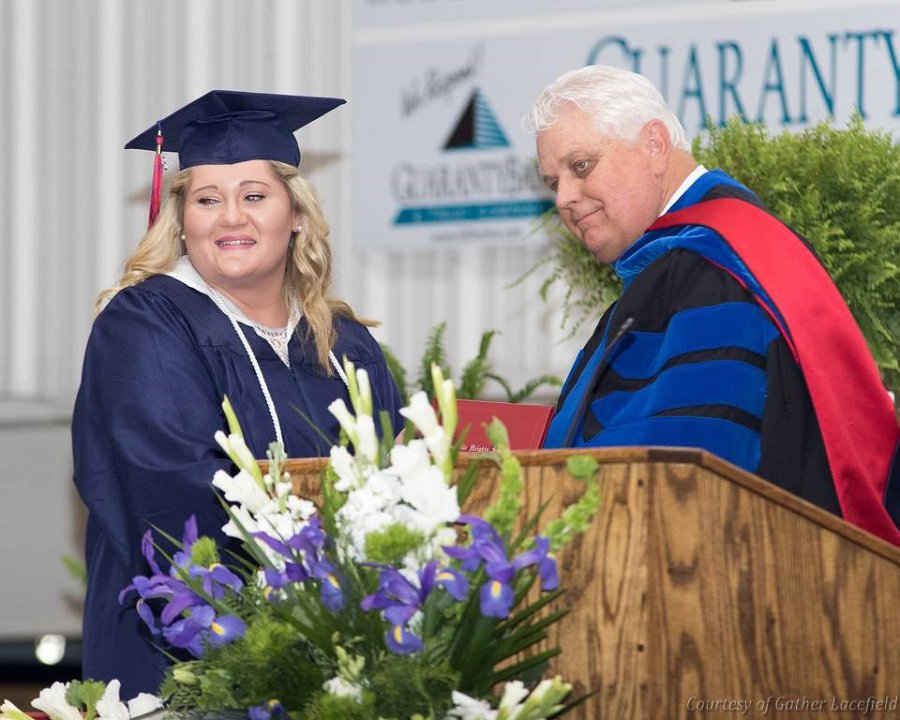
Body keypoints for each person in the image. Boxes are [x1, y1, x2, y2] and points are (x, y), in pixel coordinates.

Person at [72, 90, 404, 695]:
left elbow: (396, 474)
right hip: (187, 655)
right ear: (182, 220)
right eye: (207, 200)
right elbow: (175, 494)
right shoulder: (145, 323)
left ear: (295, 214)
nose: (231, 218)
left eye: (254, 196)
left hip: (339, 652)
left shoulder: (345, 343)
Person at [525, 65, 900, 546]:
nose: (564, 198)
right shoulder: (699, 261)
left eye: (580, 166)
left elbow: (685, 475)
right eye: (552, 182)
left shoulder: (711, 272)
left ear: (654, 144)